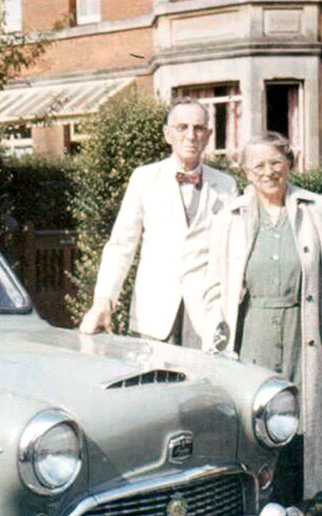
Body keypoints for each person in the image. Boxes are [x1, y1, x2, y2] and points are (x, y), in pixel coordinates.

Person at [203, 132, 322, 516]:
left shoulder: (319, 211)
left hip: (304, 337)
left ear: (290, 162)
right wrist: (215, 339)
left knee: (294, 441)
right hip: (252, 337)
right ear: (245, 172)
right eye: (257, 167)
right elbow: (214, 287)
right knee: (253, 441)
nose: (268, 173)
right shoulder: (231, 217)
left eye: (275, 163)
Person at [79, 98, 237, 346]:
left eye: (198, 128)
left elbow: (233, 252)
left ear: (208, 135)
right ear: (167, 134)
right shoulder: (144, 178)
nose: (191, 135)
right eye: (182, 127)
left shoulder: (227, 186)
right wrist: (104, 300)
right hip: (153, 314)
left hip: (205, 316)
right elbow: (121, 244)